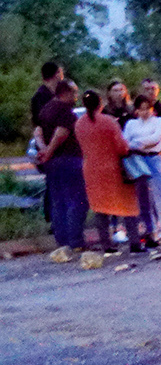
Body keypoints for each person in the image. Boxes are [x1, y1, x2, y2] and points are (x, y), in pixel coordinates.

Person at [73, 89, 143, 251]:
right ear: (101, 103)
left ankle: (107, 245)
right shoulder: (109, 121)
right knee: (127, 205)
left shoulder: (79, 124)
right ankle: (134, 242)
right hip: (113, 169)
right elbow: (122, 147)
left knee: (100, 208)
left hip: (91, 170)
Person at [37, 80, 86, 250]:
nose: (76, 96)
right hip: (69, 159)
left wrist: (44, 151)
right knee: (77, 200)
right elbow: (61, 133)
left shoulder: (46, 109)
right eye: (74, 92)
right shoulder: (65, 111)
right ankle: (76, 241)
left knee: (59, 202)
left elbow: (37, 132)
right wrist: (49, 150)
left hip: (52, 163)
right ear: (66, 93)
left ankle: (62, 241)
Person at [122, 93, 161, 248]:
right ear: (136, 110)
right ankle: (152, 232)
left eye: (148, 108)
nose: (145, 112)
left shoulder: (159, 121)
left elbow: (155, 138)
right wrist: (139, 145)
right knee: (144, 199)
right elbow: (125, 141)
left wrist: (137, 142)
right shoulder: (131, 124)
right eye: (141, 109)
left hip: (154, 159)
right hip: (137, 160)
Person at [30, 61, 63, 221]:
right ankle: (51, 217)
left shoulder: (55, 94)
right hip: (48, 144)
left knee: (55, 182)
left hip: (58, 144)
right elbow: (40, 124)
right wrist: (44, 146)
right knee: (53, 181)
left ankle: (54, 217)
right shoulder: (41, 96)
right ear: (57, 74)